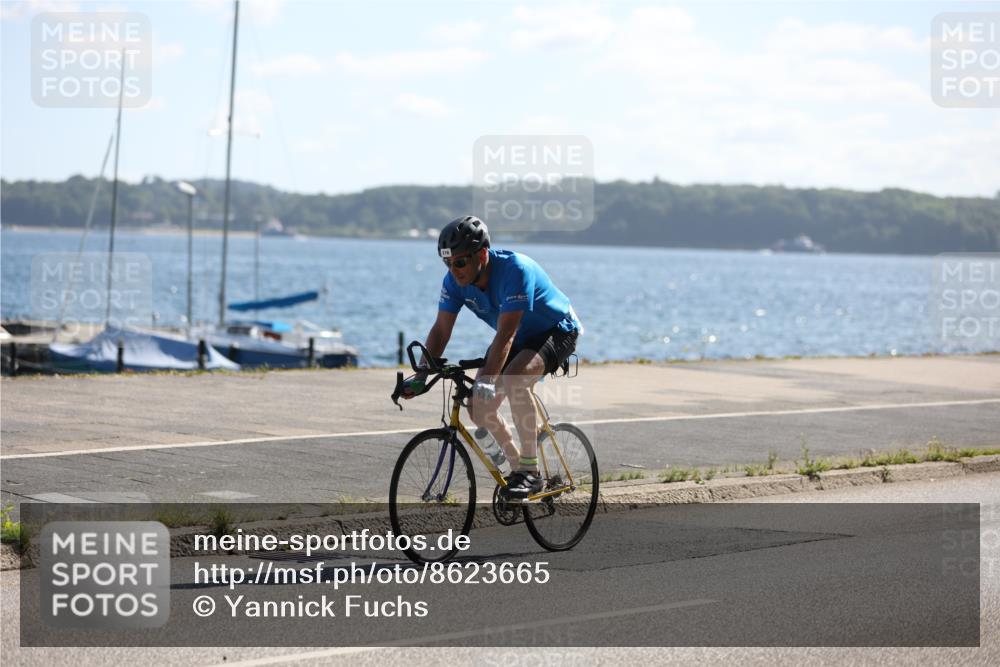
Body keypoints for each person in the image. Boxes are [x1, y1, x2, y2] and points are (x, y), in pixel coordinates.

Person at [401, 215, 582, 498]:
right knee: (478, 408)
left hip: (556, 330)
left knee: (513, 380)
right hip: (517, 337)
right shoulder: (453, 282)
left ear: (482, 254)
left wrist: (487, 382)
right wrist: (422, 375)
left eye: (459, 262)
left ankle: (530, 472)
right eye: (447, 263)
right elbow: (440, 330)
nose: (453, 270)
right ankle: (517, 470)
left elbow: (507, 334)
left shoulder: (515, 270)